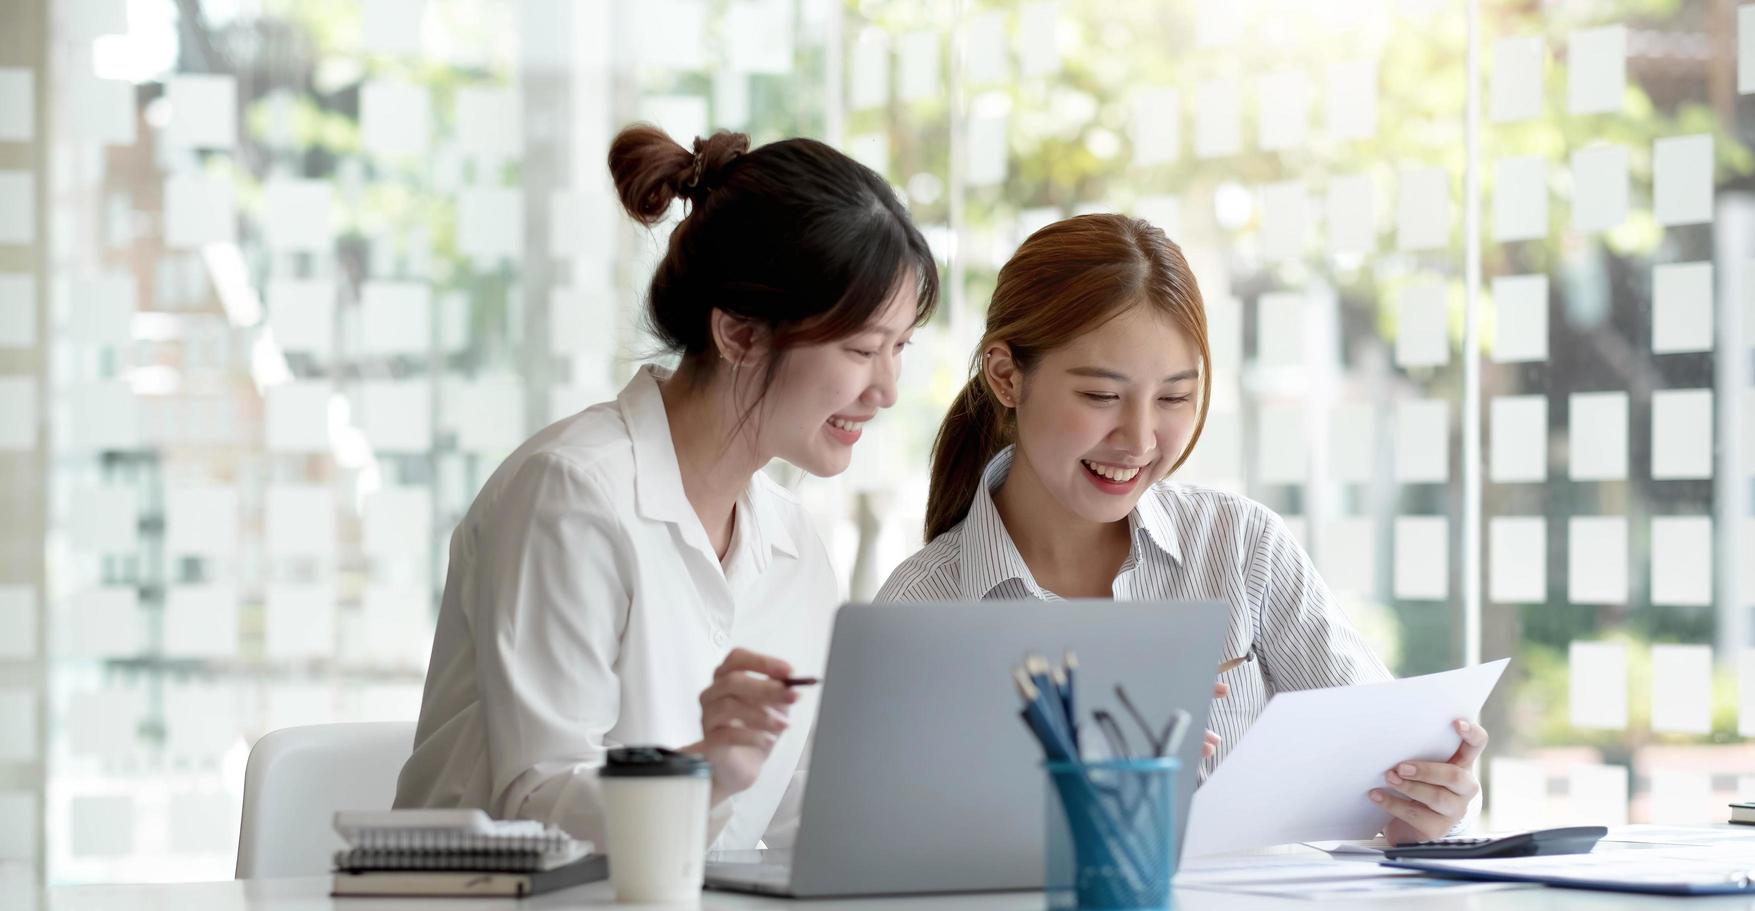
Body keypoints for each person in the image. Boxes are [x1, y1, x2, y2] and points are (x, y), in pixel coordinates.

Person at [395, 123, 938, 852]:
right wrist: (704, 774)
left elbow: (775, 817)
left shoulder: (794, 547)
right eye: (862, 348)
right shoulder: (572, 494)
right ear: (740, 335)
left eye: (899, 348)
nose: (887, 390)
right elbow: (536, 795)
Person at [876, 214, 1483, 843]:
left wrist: (1428, 804)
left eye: (1172, 399)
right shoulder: (925, 606)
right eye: (1101, 397)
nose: (1139, 440)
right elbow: (890, 854)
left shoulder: (1241, 548)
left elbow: (1386, 758)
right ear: (1007, 376)